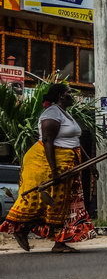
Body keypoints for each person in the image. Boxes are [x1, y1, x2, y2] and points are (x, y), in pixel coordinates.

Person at [0, 83, 95, 252]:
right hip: (46, 163)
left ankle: (59, 242)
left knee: (65, 203)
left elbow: (76, 143)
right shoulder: (51, 113)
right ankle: (22, 229)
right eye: (68, 93)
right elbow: (47, 141)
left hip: (69, 163)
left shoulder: (66, 114)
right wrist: (54, 171)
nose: (71, 96)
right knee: (43, 202)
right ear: (60, 96)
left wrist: (90, 164)